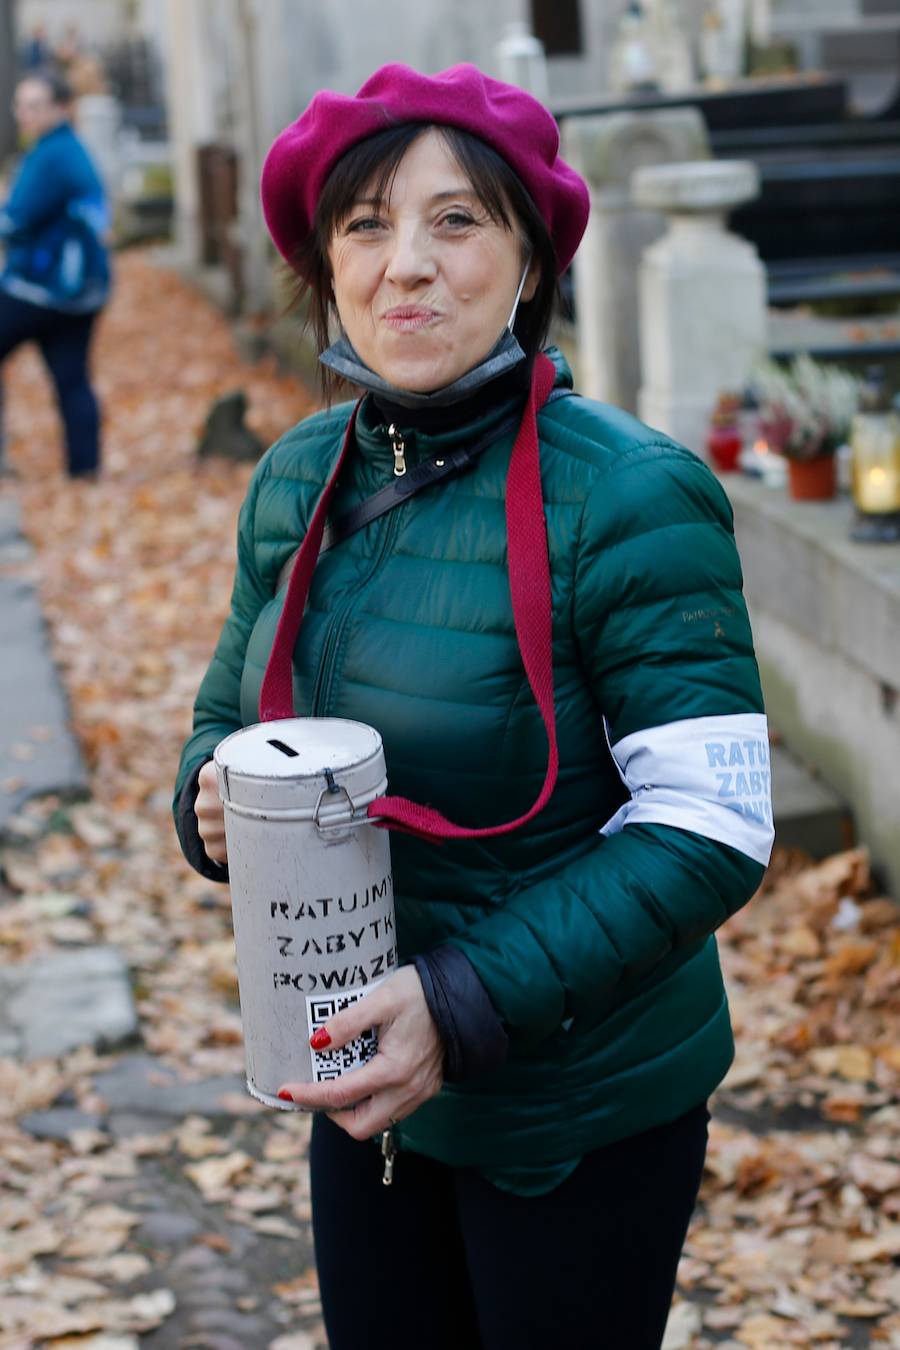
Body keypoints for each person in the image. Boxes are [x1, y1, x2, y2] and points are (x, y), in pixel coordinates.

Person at [174, 63, 774, 1350]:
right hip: (358, 1078)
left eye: (456, 221)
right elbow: (226, 716)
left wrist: (455, 1005)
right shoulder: (296, 479)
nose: (407, 264)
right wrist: (209, 799)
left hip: (575, 1111)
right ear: (327, 268)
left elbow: (711, 824)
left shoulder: (631, 494)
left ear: (529, 260)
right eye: (366, 225)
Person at [0, 72, 110, 478]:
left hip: (42, 288)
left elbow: (14, 221)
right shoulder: (69, 149)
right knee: (72, 378)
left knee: (72, 378)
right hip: (81, 292)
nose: (24, 114)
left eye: (34, 106)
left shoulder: (51, 155)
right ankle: (85, 470)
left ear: (60, 108)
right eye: (20, 105)